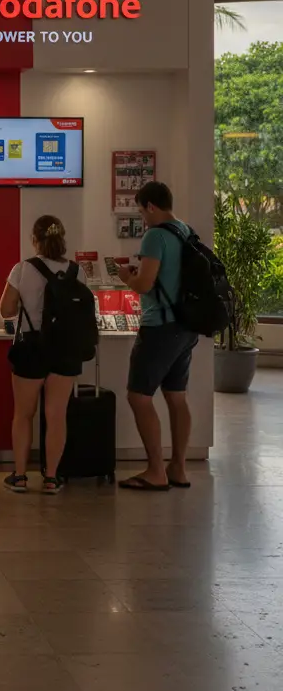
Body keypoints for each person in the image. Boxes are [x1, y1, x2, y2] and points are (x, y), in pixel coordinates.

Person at [117, 181, 199, 491]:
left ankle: (155, 470)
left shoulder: (155, 235)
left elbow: (144, 284)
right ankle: (178, 466)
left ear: (151, 206)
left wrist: (127, 276)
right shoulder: (186, 231)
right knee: (176, 396)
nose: (142, 218)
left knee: (138, 396)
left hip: (159, 326)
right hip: (186, 326)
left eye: (141, 211)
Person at [0, 215, 88, 494]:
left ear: (34, 240)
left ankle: (21, 476)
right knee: (57, 414)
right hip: (65, 349)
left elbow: (6, 310)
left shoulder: (23, 269)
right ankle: (51, 478)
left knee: (24, 414)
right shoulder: (77, 271)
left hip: (31, 347)